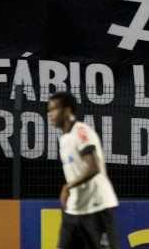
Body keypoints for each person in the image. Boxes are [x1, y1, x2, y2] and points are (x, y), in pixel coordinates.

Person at [47, 91, 119, 249]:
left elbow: (93, 167)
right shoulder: (64, 139)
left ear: (67, 111)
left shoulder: (80, 131)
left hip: (97, 207)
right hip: (74, 209)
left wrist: (68, 186)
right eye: (49, 110)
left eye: (53, 109)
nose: (50, 114)